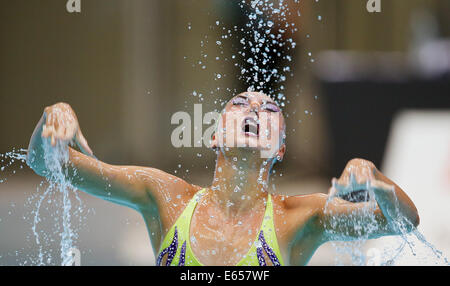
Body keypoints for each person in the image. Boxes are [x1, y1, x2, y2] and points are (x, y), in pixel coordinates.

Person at [26, 91, 419, 266]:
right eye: (239, 104)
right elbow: (46, 164)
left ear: (279, 148)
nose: (253, 108)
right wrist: (52, 117)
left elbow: (402, 221)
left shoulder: (296, 218)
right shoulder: (166, 196)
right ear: (215, 135)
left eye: (267, 108)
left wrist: (375, 176)